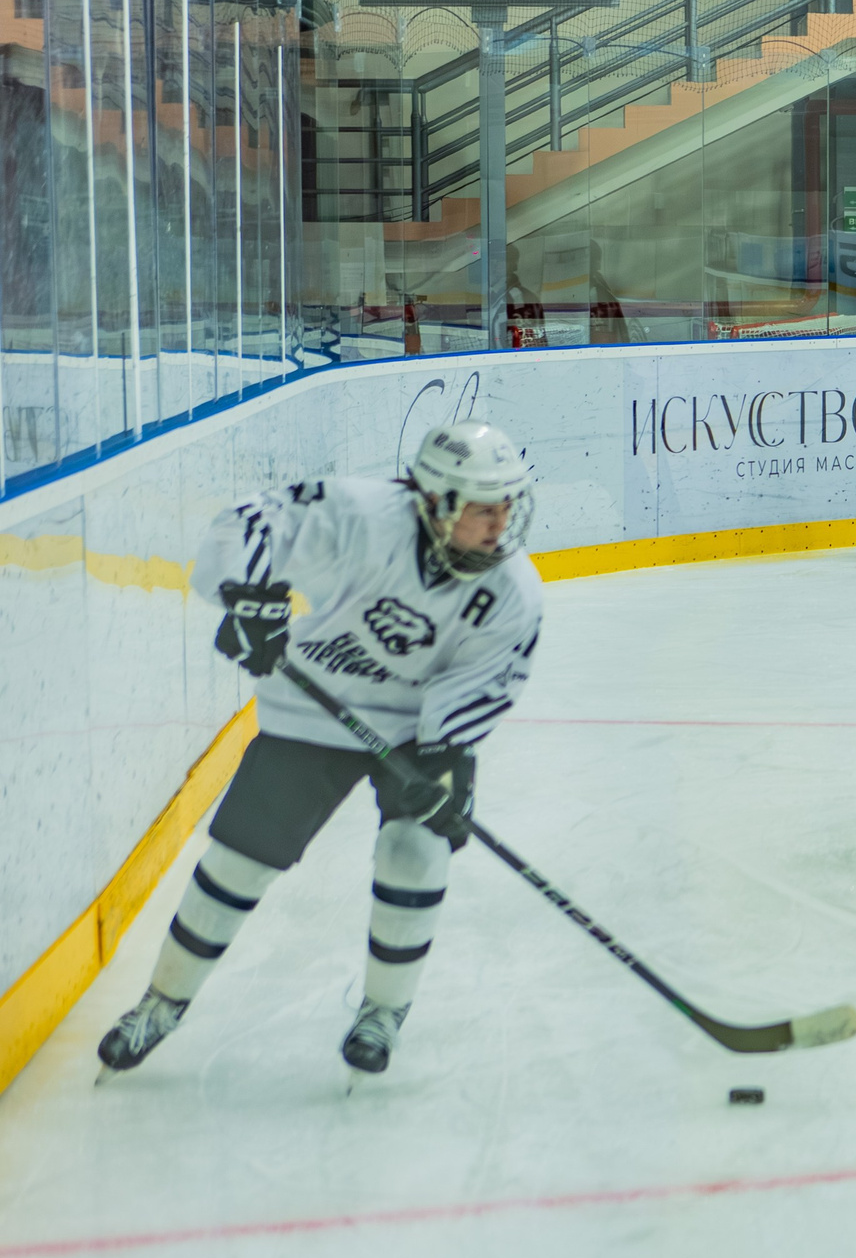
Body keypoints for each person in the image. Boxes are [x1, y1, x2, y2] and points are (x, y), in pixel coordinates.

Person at [96, 421, 543, 1081]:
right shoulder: (360, 514)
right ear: (436, 500)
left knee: (415, 848)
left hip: (413, 729)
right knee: (240, 860)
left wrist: (444, 762)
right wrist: (248, 599)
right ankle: (161, 1003)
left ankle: (383, 1013)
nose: (500, 521)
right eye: (483, 505)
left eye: (507, 502)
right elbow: (248, 523)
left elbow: (483, 683)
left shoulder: (513, 592)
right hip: (313, 708)